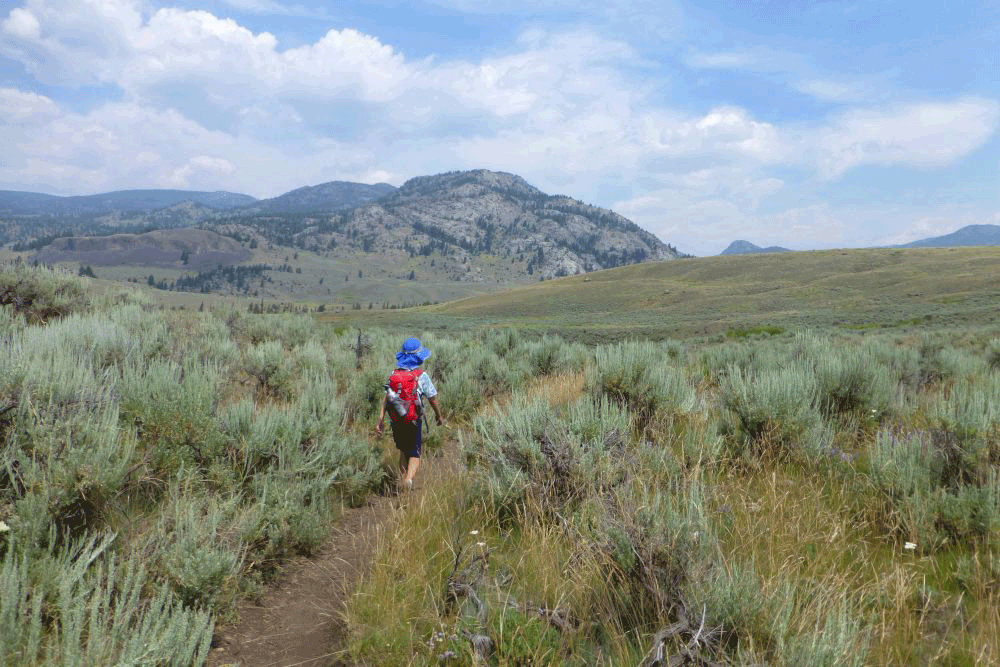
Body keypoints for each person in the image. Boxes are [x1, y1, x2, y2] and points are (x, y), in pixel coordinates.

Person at [376, 337, 444, 491]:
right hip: (413, 420)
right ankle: (408, 480)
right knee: (415, 453)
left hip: (396, 419)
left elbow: (386, 399)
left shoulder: (394, 374)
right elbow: (433, 398)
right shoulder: (421, 376)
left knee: (404, 450)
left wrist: (380, 420)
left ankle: (402, 482)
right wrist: (439, 415)